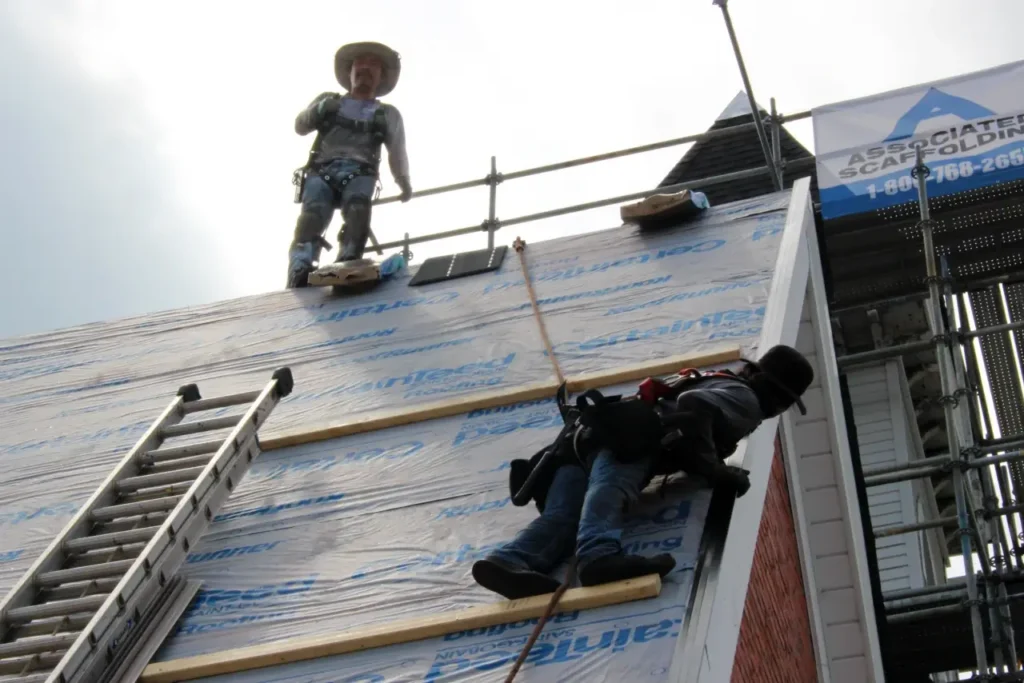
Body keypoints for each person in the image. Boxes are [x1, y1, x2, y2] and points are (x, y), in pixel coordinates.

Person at [471, 344, 814, 600]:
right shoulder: (748, 401)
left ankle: (509, 561)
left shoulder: (719, 381)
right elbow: (693, 407)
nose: (776, 410)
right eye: (782, 401)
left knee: (564, 516)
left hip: (578, 443)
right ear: (768, 389)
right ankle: (598, 557)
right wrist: (714, 470)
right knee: (612, 487)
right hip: (629, 440)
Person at [286, 41, 414, 289]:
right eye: (361, 63)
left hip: (360, 172)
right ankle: (300, 265)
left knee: (358, 214)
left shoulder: (387, 114)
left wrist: (403, 181)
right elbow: (300, 125)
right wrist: (319, 110)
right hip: (321, 169)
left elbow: (397, 151)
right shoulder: (328, 100)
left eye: (373, 64)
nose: (366, 68)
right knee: (311, 219)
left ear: (381, 76)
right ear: (350, 70)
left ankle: (348, 262)